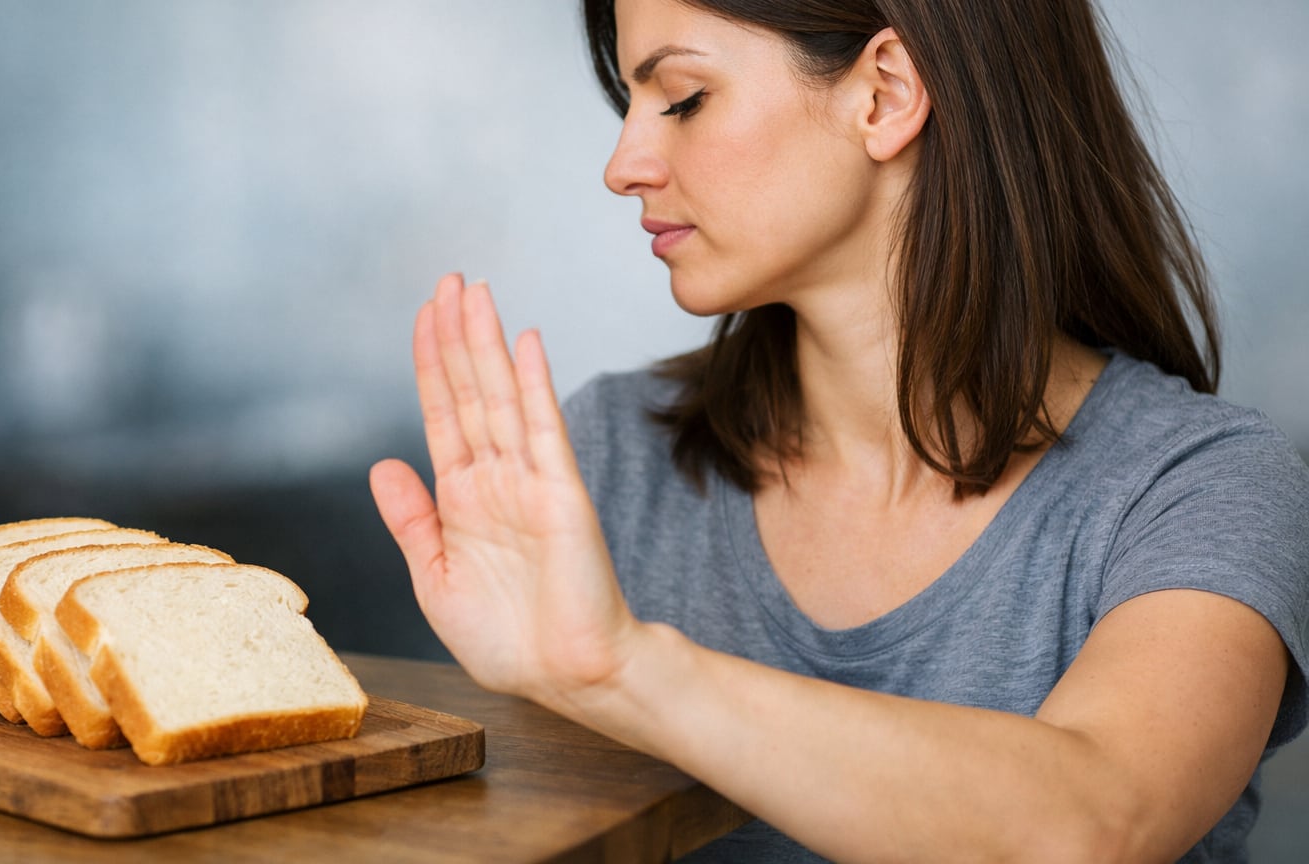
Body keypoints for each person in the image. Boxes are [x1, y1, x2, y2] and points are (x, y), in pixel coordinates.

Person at [368, 0, 1309, 860]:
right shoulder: (606, 459)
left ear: (885, 94)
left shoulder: (1203, 486)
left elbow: (1098, 824)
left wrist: (617, 670)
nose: (624, 166)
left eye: (684, 99)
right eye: (632, 103)